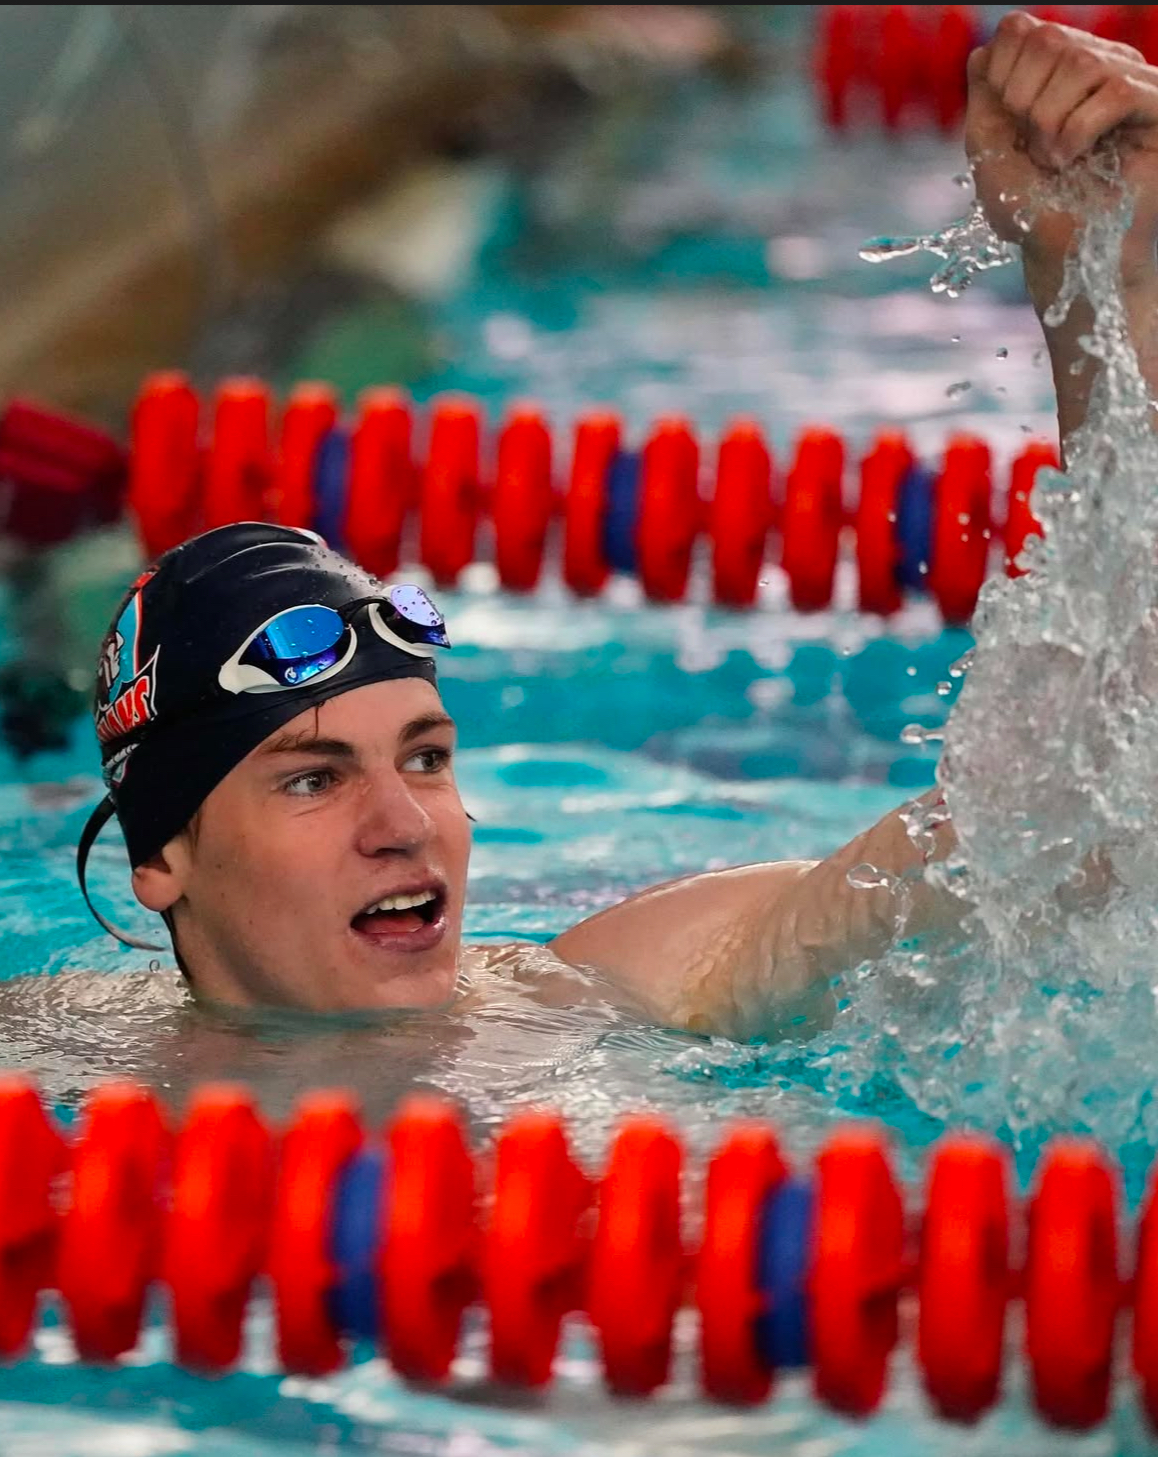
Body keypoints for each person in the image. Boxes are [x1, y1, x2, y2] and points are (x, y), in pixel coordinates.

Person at [77, 12, 1158, 1041]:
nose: (404, 823)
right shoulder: (50, 1061)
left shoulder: (607, 992)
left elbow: (1062, 818)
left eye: (427, 756)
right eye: (312, 777)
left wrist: (1113, 277)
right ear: (164, 852)